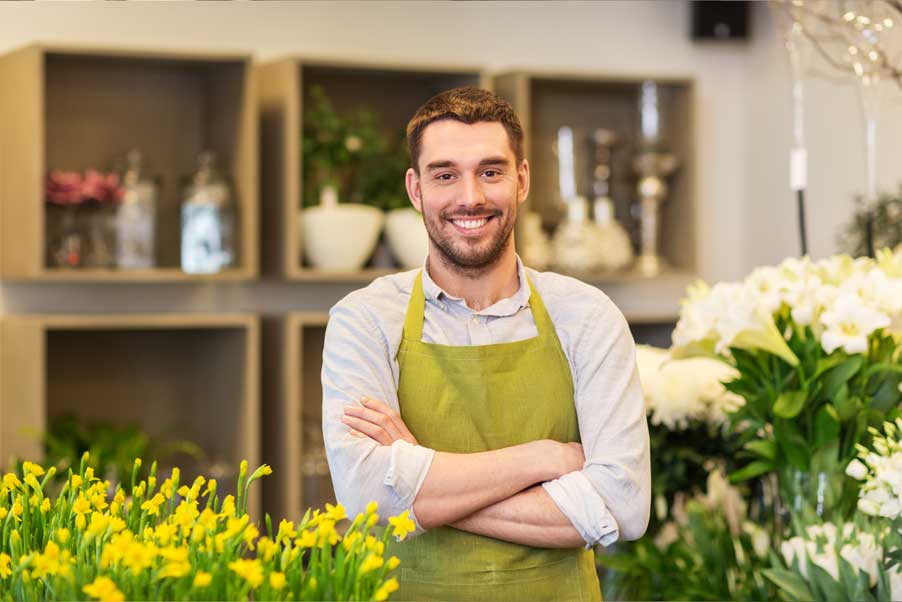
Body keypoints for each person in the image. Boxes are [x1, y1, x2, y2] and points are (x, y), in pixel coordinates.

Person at [322, 86, 650, 601]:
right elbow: (365, 494)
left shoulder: (587, 317)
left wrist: (417, 474)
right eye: (445, 174)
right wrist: (544, 459)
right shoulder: (364, 320)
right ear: (415, 189)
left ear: (521, 180)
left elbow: (622, 505)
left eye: (490, 172)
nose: (469, 197)